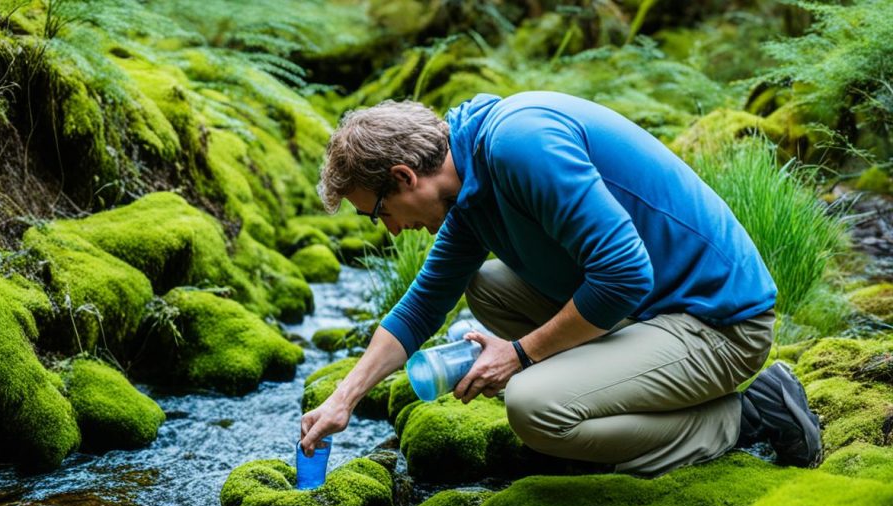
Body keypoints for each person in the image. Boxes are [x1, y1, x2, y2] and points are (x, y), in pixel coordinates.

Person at [300, 91, 820, 476]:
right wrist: (343, 399)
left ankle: (743, 418)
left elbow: (624, 273)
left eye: (379, 213)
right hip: (651, 312)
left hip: (720, 323)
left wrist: (520, 355)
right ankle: (617, 388)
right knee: (485, 286)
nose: (391, 229)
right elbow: (420, 308)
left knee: (534, 408)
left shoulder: (518, 144)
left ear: (404, 176)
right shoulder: (472, 184)